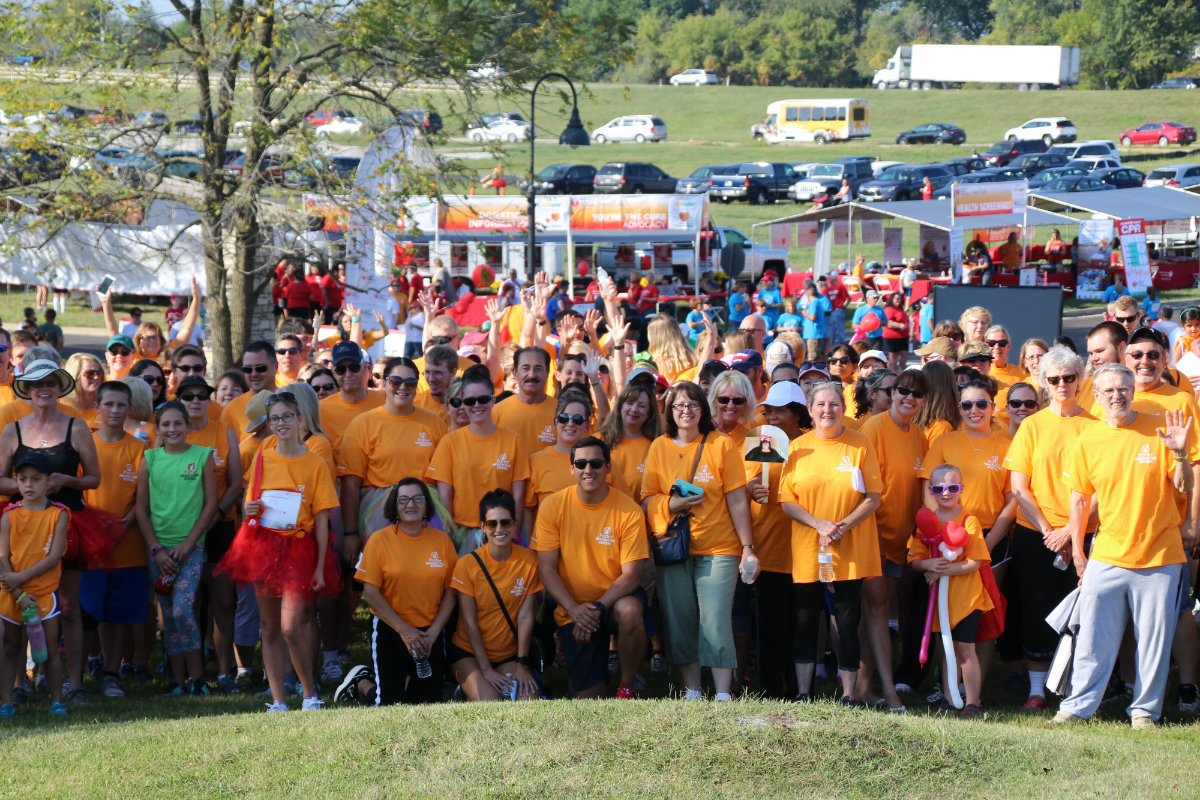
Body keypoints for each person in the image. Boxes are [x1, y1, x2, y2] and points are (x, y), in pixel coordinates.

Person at [1054, 365, 1193, 729]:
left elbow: (1183, 487)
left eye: (1123, 389)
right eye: (1109, 390)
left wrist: (1180, 454)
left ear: (1133, 391)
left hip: (1160, 555)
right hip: (1107, 555)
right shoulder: (1088, 439)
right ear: (1097, 397)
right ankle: (1077, 707)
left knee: (1154, 642)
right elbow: (1079, 501)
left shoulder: (1160, 429)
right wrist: (1079, 553)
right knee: (1092, 637)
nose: (1117, 395)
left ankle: (1144, 712)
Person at [219, 391, 341, 712]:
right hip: (265, 548)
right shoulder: (262, 457)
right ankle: (278, 701)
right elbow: (250, 502)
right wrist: (249, 507)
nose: (281, 423)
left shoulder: (315, 464)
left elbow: (323, 519)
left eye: (287, 416)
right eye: (275, 418)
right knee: (270, 626)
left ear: (300, 419)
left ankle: (310, 695)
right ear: (269, 424)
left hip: (300, 548)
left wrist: (319, 567)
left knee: (290, 625)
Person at [641, 382, 756, 701]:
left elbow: (737, 499)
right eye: (679, 405)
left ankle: (723, 693)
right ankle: (691, 691)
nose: (686, 411)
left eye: (692, 405)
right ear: (669, 411)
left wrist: (748, 547)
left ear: (703, 409)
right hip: (673, 547)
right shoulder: (659, 447)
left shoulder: (721, 444)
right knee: (680, 619)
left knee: (715, 618)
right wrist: (671, 505)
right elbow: (647, 498)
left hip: (719, 547)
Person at [779, 381, 882, 703]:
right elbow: (786, 500)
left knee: (848, 620)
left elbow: (874, 496)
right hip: (808, 548)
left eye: (834, 404)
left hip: (850, 547)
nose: (828, 410)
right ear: (810, 410)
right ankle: (803, 692)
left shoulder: (861, 443)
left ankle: (849, 694)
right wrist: (819, 524)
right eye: (821, 405)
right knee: (805, 619)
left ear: (843, 408)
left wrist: (842, 526)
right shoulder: (797, 448)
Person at [1003, 345, 1093, 711]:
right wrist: (1048, 531)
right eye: (1053, 379)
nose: (1062, 384)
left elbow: (1102, 488)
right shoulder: (1032, 426)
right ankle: (1037, 690)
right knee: (1036, 609)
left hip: (1083, 532)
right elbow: (1019, 487)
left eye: (1068, 377)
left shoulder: (1095, 426)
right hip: (1036, 534)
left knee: (1081, 611)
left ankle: (1076, 689)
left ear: (1079, 378)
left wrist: (1070, 531)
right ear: (1043, 382)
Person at [534, 436, 648, 699]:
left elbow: (632, 575)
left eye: (596, 463)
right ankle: (598, 674)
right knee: (588, 698)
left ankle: (627, 687)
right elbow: (546, 570)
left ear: (608, 468)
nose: (588, 470)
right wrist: (575, 610)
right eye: (581, 463)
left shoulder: (629, 511)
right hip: (574, 609)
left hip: (612, 601)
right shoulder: (553, 506)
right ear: (571, 468)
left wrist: (598, 608)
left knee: (630, 610)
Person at [337, 478, 457, 706]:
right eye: (403, 499)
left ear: (427, 504)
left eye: (417, 498)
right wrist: (404, 631)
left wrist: (433, 632)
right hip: (390, 629)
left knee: (429, 704)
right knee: (389, 704)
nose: (411, 504)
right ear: (394, 505)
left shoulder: (442, 541)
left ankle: (406, 680)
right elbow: (370, 594)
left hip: (429, 633)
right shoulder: (378, 540)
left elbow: (451, 592)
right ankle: (361, 683)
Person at [135, 401, 219, 697]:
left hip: (190, 548)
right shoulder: (150, 459)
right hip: (160, 552)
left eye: (177, 423)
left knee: (183, 609)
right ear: (157, 429)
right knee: (168, 616)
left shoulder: (203, 456)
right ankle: (178, 682)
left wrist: (188, 543)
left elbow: (211, 504)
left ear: (187, 426)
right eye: (166, 424)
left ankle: (198, 678)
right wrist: (156, 549)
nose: (172, 429)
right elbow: (141, 509)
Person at [858, 368, 929, 710]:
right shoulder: (874, 428)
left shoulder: (919, 436)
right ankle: (888, 691)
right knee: (877, 612)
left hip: (900, 543)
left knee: (877, 613)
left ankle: (862, 687)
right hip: (873, 538)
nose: (909, 398)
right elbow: (863, 491)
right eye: (903, 390)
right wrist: (876, 539)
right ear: (892, 393)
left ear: (924, 401)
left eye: (917, 394)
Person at [78, 381, 149, 699]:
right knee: (87, 612)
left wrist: (124, 525)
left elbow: (143, 499)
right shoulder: (85, 445)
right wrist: (97, 529)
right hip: (91, 547)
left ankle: (111, 674)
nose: (115, 410)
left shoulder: (140, 449)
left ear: (130, 408)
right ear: (98, 407)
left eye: (121, 405)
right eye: (109, 404)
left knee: (119, 614)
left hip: (128, 546)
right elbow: (77, 495)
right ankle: (75, 678)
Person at [908, 463, 993, 716]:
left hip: (967, 598)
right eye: (939, 489)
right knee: (946, 651)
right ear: (931, 491)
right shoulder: (927, 520)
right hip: (940, 601)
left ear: (962, 489)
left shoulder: (969, 521)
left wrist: (941, 571)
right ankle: (949, 698)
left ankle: (973, 702)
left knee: (965, 649)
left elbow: (975, 562)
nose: (946, 493)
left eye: (952, 488)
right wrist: (928, 565)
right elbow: (914, 560)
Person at [442, 489, 542, 702]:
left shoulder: (530, 561)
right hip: (468, 653)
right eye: (491, 524)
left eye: (505, 523)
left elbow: (526, 616)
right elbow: (470, 622)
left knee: (530, 703)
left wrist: (522, 664)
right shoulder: (467, 564)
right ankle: (466, 689)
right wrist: (485, 669)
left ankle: (482, 685)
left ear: (515, 524)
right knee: (491, 703)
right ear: (482, 527)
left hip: (509, 654)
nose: (499, 529)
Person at [339, 357, 446, 554]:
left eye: (410, 382)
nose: (403, 387)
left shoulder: (435, 423)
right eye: (396, 381)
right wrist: (350, 532)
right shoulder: (363, 424)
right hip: (379, 513)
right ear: (384, 382)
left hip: (427, 512)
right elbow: (350, 483)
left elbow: (444, 480)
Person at [426, 366, 529, 554]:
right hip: (462, 533)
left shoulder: (514, 441)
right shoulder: (449, 442)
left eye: (483, 399)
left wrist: (513, 530)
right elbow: (445, 496)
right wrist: (449, 534)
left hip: (501, 531)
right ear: (463, 403)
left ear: (493, 400)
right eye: (469, 401)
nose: (476, 405)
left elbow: (518, 494)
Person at [0, 452, 70, 717]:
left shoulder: (59, 514)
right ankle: (6, 702)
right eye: (23, 479)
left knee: (49, 649)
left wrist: (19, 578)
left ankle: (57, 701)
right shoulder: (9, 515)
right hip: (12, 595)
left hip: (44, 593)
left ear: (49, 481)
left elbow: (54, 556)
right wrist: (18, 592)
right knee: (10, 647)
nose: (28, 484)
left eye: (36, 479)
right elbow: (2, 557)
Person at [599, 382, 661, 502]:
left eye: (641, 406)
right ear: (620, 407)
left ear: (649, 412)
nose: (634, 409)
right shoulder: (600, 439)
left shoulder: (657, 445)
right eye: (630, 403)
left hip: (642, 512)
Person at [492, 347, 557, 455]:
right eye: (525, 368)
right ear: (514, 372)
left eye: (538, 368)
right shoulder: (495, 414)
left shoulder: (561, 413)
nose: (532, 375)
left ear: (547, 372)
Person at [799, 282, 831, 362]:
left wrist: (804, 313)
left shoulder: (814, 303)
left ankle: (813, 370)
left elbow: (813, 317)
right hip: (815, 333)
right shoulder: (818, 302)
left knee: (812, 358)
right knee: (816, 357)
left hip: (813, 334)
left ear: (807, 295)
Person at [881, 291, 910, 373]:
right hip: (892, 337)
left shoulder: (901, 309)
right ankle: (892, 373)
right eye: (896, 298)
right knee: (894, 356)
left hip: (903, 336)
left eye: (899, 299)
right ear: (892, 299)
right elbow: (887, 323)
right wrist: (899, 325)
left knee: (904, 354)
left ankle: (902, 372)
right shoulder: (889, 309)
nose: (898, 300)